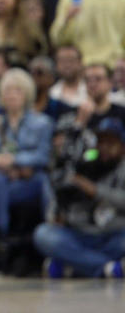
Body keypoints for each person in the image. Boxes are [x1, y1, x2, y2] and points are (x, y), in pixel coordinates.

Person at [0, 68, 54, 272]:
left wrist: (15, 161)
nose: (12, 95)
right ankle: (0, 237)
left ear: (27, 94)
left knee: (40, 180)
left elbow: (44, 157)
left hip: (29, 183)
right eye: (8, 91)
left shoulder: (42, 123)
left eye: (17, 91)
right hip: (3, 184)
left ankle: (5, 243)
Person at [35, 117, 125, 278]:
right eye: (100, 142)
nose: (104, 148)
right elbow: (60, 200)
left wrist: (95, 190)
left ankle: (75, 266)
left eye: (110, 143)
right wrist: (59, 214)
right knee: (43, 234)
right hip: (81, 235)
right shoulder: (84, 164)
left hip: (114, 235)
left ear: (122, 145)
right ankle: (106, 268)